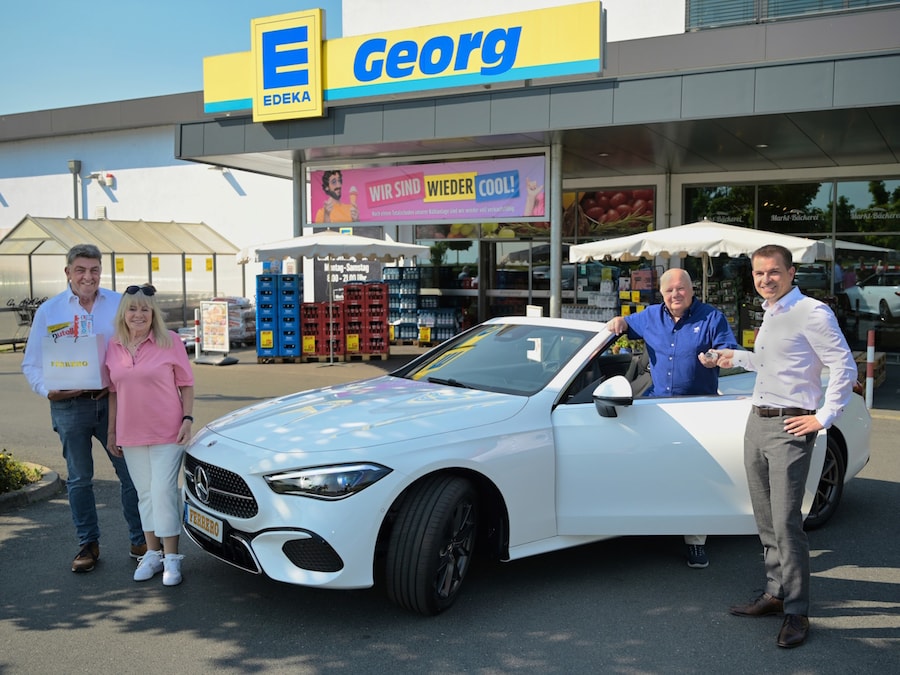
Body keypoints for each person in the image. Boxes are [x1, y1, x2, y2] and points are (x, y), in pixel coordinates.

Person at [712, 244, 856, 649]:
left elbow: (844, 364)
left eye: (773, 272)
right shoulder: (772, 313)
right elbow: (772, 365)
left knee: (787, 524)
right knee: (764, 520)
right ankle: (775, 593)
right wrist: (734, 358)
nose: (765, 280)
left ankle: (796, 610)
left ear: (792, 273)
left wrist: (824, 417)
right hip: (758, 421)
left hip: (791, 427)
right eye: (759, 274)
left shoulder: (812, 312)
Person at [21, 244, 146, 573]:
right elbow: (31, 363)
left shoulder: (119, 303)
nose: (87, 276)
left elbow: (139, 341)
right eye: (81, 270)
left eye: (94, 270)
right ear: (68, 272)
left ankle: (140, 540)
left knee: (129, 475)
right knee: (79, 480)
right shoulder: (50, 311)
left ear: (100, 271)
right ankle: (88, 545)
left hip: (112, 402)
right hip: (69, 407)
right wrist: (49, 390)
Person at [606, 268, 740, 569]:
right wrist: (619, 321)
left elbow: (730, 349)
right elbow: (626, 324)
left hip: (699, 408)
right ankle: (648, 527)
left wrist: (717, 356)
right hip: (657, 408)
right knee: (653, 468)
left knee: (698, 477)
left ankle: (696, 541)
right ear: (662, 294)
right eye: (669, 290)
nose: (675, 294)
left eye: (681, 289)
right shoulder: (651, 315)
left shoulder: (710, 317)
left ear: (691, 291)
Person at [106, 284, 195, 586]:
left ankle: (172, 558)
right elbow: (114, 393)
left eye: (145, 309)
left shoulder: (169, 341)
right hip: (130, 433)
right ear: (124, 313)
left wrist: (187, 419)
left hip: (168, 430)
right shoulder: (114, 345)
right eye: (132, 308)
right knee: (144, 494)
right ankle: (153, 554)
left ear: (153, 313)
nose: (138, 314)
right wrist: (111, 431)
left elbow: (186, 384)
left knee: (162, 491)